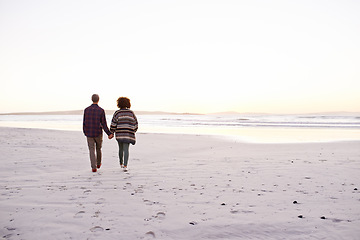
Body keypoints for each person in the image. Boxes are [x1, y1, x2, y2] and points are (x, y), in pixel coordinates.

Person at [83, 94, 114, 172]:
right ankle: (98, 163)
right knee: (98, 148)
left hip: (89, 132)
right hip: (98, 132)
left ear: (91, 99)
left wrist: (85, 131)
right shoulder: (101, 110)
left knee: (91, 150)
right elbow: (104, 123)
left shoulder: (86, 110)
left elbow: (84, 122)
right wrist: (109, 133)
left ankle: (93, 167)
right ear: (98, 100)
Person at [110, 97, 138, 171]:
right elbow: (135, 123)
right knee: (126, 149)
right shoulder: (131, 113)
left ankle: (121, 163)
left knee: (120, 148)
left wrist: (111, 132)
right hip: (128, 134)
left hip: (119, 134)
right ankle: (125, 165)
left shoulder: (117, 113)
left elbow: (113, 123)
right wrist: (133, 131)